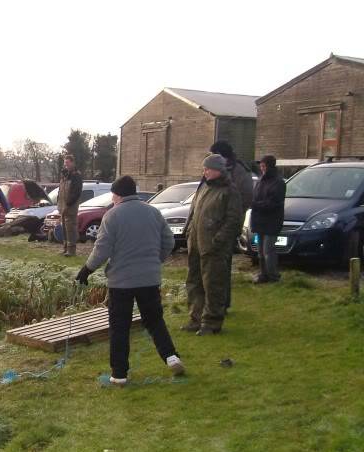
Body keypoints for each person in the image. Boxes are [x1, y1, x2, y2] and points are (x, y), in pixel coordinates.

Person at [76, 176, 184, 386]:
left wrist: (86, 270)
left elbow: (102, 250)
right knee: (154, 321)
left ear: (117, 194)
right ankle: (171, 358)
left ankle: (119, 374)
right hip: (149, 279)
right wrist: (156, 260)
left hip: (121, 282)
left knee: (119, 327)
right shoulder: (153, 212)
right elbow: (169, 241)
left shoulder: (112, 215)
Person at [183, 154, 243, 335]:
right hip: (195, 243)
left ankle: (212, 322)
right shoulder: (203, 188)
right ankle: (196, 318)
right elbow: (193, 212)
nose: (205, 172)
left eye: (207, 168)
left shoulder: (229, 191)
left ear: (218, 170)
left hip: (214, 247)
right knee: (194, 283)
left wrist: (219, 240)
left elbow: (234, 220)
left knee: (214, 285)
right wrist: (188, 231)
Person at [209, 141, 253, 312]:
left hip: (227, 225)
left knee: (222, 265)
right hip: (212, 224)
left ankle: (222, 304)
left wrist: (230, 218)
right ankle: (213, 303)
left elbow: (246, 199)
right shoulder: (213, 170)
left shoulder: (239, 172)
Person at [250, 155, 286, 284]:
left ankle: (273, 276)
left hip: (271, 221)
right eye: (261, 166)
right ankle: (263, 274)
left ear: (270, 166)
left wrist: (254, 205)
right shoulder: (260, 180)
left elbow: (274, 203)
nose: (262, 168)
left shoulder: (278, 182)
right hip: (259, 220)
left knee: (268, 250)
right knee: (260, 251)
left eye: (264, 166)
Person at [58, 154, 83, 257]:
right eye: (65, 163)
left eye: (67, 163)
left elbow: (76, 192)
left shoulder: (76, 176)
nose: (66, 165)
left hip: (70, 206)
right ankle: (65, 248)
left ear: (72, 163)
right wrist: (59, 203)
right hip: (62, 206)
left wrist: (68, 203)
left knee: (70, 229)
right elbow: (61, 190)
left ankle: (71, 251)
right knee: (64, 228)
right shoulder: (65, 175)